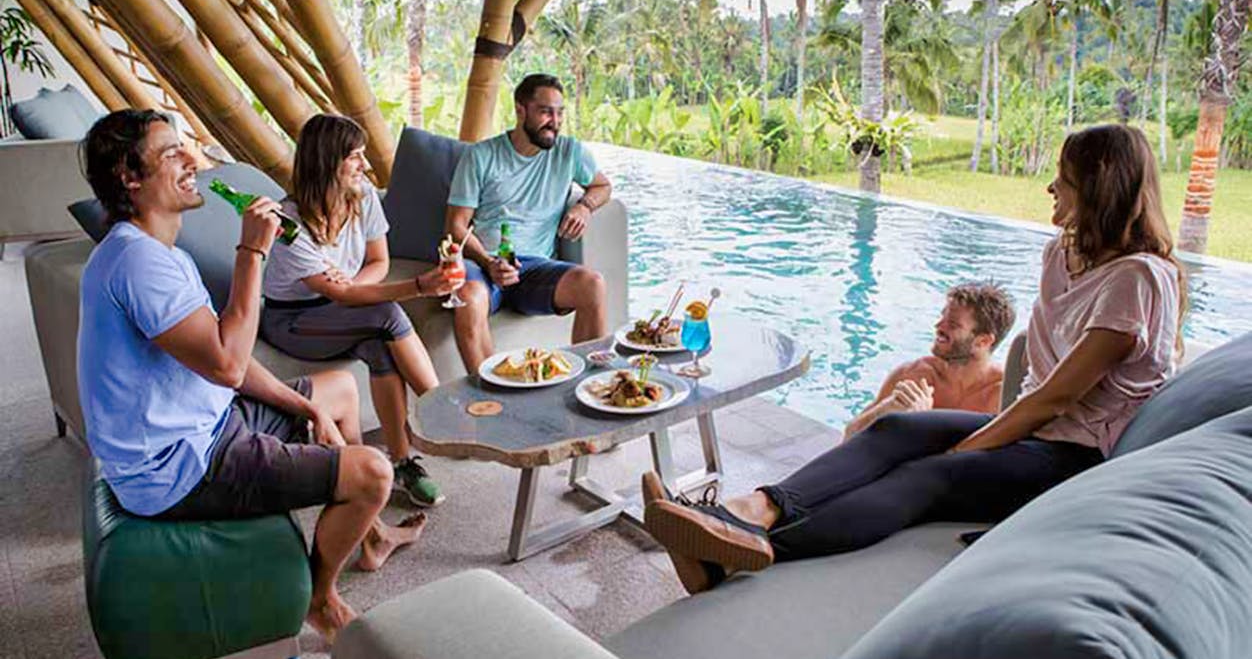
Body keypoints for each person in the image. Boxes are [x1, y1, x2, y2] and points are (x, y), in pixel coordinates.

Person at [642, 124, 1185, 595]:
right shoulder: (1062, 252)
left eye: (1063, 178)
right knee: (897, 428)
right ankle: (744, 512)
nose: (1050, 187)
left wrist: (969, 446)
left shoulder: (1138, 279)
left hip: (1077, 456)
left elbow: (1056, 397)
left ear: (1099, 189)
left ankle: (739, 555)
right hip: (1037, 431)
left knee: (930, 475)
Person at [77, 110, 424, 643]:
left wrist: (306, 407)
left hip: (206, 423)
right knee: (374, 473)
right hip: (178, 466)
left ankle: (371, 534)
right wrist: (252, 250)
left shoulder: (157, 253)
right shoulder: (138, 264)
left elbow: (222, 360)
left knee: (338, 390)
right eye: (171, 153)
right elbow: (229, 363)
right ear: (130, 177)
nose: (192, 160)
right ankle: (320, 600)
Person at [261, 114, 461, 508]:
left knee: (379, 345)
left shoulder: (364, 195)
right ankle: (444, 411)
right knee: (386, 314)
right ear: (327, 161)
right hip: (291, 320)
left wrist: (351, 287)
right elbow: (344, 295)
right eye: (354, 156)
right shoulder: (288, 223)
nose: (364, 165)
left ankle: (402, 463)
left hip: (341, 306)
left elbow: (378, 261)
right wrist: (419, 286)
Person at [445, 73, 614, 372]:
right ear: (521, 110)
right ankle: (490, 392)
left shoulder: (569, 152)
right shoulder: (480, 155)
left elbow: (602, 186)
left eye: (560, 113)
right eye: (545, 112)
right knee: (468, 297)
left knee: (593, 285)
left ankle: (587, 382)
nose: (555, 122)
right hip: (484, 264)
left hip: (535, 267)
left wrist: (584, 207)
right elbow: (455, 226)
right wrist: (489, 263)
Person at [843, 283, 1016, 438]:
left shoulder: (1003, 396)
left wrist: (923, 423)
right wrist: (886, 410)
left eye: (953, 324)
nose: (938, 327)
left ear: (983, 341)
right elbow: (849, 436)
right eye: (942, 318)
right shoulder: (912, 375)